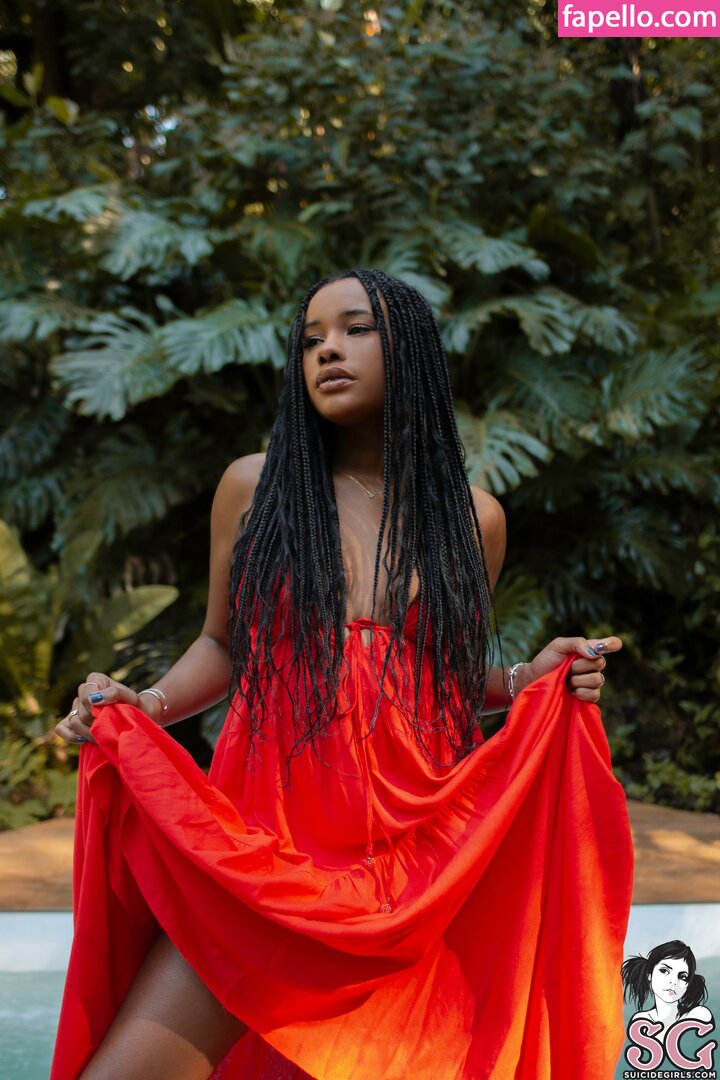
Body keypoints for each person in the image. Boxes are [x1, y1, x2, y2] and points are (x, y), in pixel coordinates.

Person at [52, 269, 631, 1080]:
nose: (328, 350)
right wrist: (141, 704)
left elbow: (442, 681)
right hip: (265, 854)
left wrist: (530, 677)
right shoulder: (255, 488)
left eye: (356, 329)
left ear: (412, 350)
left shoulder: (473, 518)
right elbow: (223, 645)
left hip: (411, 860)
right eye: (312, 338)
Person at [622, 940, 713, 1041]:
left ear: (688, 984)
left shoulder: (699, 1015)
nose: (673, 982)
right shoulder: (641, 1020)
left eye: (682, 977)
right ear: (649, 975)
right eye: (664, 971)